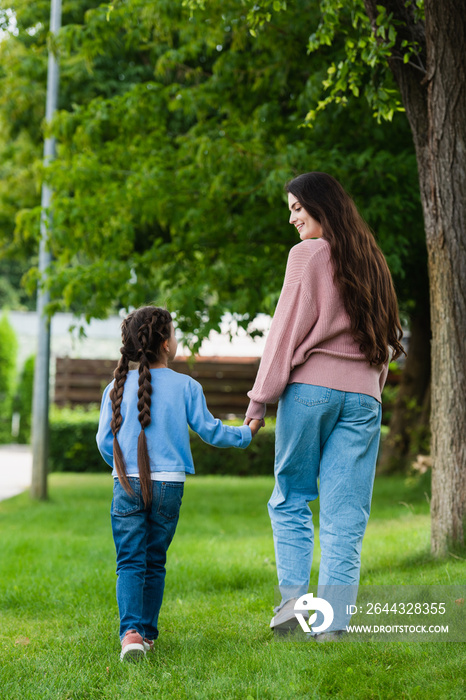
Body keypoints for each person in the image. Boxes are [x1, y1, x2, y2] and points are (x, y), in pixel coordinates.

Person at [244, 172, 405, 640]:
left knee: (291, 498)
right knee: (345, 515)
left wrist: (260, 399)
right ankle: (331, 627)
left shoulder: (307, 255)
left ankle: (293, 610)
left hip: (310, 391)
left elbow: (284, 332)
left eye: (298, 207)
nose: (292, 218)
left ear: (322, 206)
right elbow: (389, 338)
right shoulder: (373, 261)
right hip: (363, 400)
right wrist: (370, 387)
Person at [97, 305, 262, 661]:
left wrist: (121, 468)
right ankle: (148, 635)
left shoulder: (115, 387)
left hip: (125, 484)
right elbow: (210, 430)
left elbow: (103, 442)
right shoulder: (187, 386)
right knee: (154, 560)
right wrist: (246, 434)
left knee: (129, 561)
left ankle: (131, 634)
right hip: (169, 486)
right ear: (167, 343)